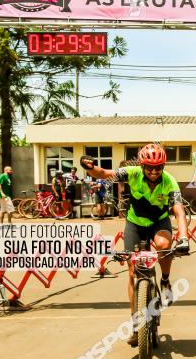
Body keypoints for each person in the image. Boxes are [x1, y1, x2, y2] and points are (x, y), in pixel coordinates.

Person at [80, 144, 190, 346]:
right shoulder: (131, 173)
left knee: (165, 245)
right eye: (149, 167)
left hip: (159, 222)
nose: (154, 172)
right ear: (142, 165)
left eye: (158, 167)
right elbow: (104, 173)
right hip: (135, 223)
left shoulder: (169, 181)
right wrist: (89, 167)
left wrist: (184, 238)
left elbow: (179, 210)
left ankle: (165, 280)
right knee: (132, 272)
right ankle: (136, 324)